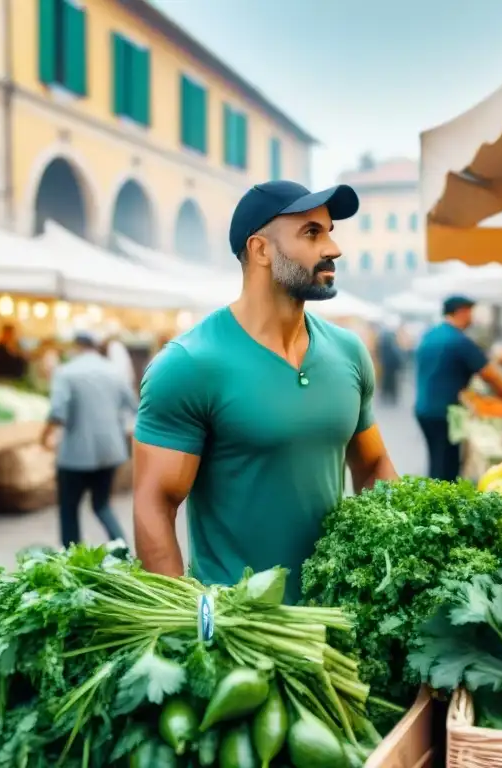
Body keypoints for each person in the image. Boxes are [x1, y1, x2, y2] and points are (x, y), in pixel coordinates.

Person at [133, 179, 398, 602]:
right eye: (312, 233)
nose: (333, 248)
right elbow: (155, 503)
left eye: (329, 231)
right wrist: (186, 623)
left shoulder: (349, 351)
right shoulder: (189, 364)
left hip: (338, 613)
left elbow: (373, 465)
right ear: (260, 250)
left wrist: (395, 556)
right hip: (243, 630)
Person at [415, 296, 502, 481]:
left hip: (423, 409)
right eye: (470, 313)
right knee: (447, 466)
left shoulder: (430, 335)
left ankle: (432, 498)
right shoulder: (459, 341)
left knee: (436, 461)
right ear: (461, 312)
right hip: (446, 412)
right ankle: (442, 507)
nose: (471, 319)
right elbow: (491, 376)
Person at [41, 332, 134, 548]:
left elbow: (57, 412)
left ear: (76, 346)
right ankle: (123, 550)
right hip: (110, 451)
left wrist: (43, 438)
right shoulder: (114, 371)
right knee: (102, 505)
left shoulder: (66, 372)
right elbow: (132, 405)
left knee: (69, 509)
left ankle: (72, 560)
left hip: (75, 455)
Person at [376, 320, 403, 404]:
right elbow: (396, 354)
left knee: (386, 381)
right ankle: (391, 397)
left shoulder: (382, 340)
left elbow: (379, 352)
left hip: (386, 364)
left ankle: (385, 396)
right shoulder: (391, 341)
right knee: (391, 382)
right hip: (391, 365)